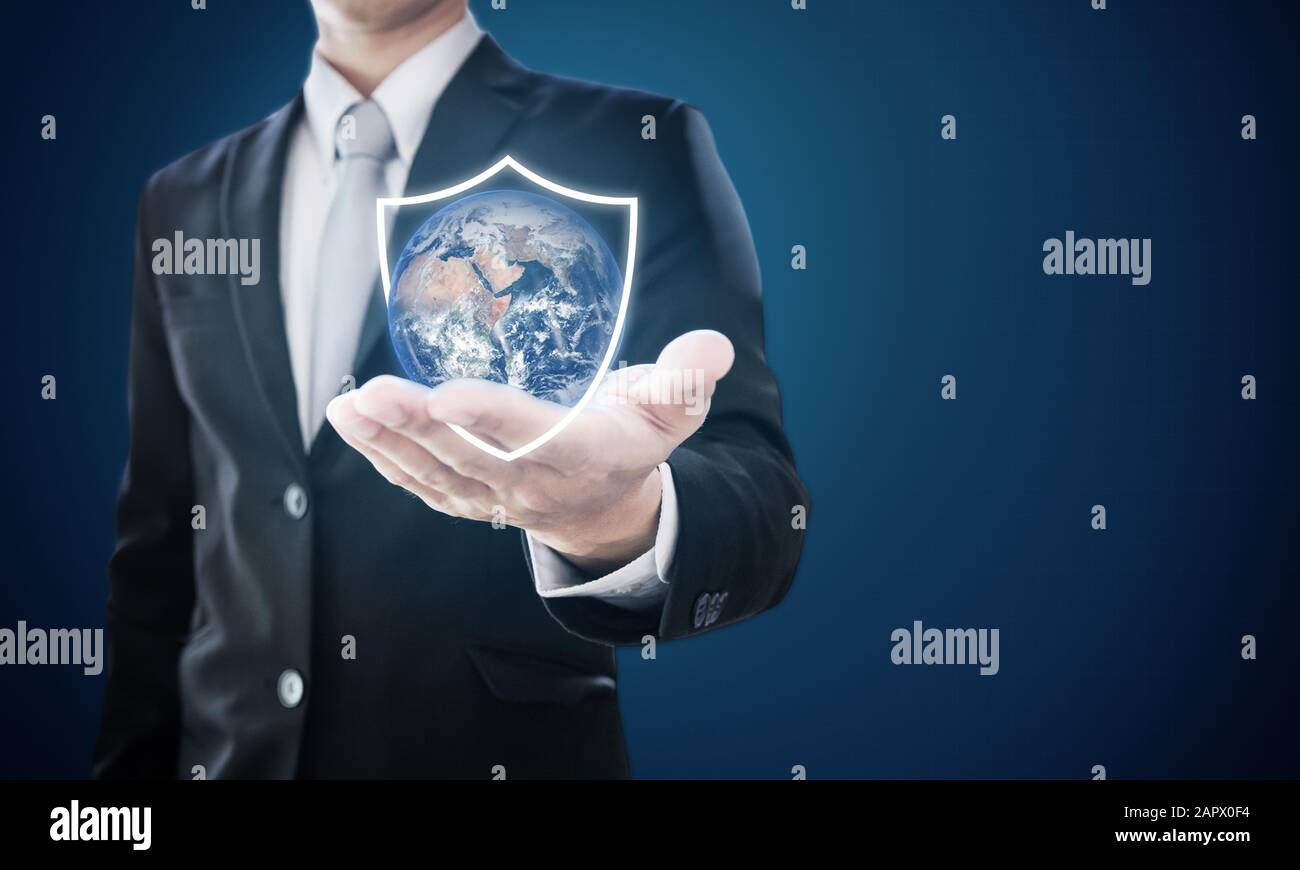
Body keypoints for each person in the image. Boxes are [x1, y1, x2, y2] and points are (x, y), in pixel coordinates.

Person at [94, 0, 808, 779]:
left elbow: (765, 505)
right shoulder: (182, 200)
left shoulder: (636, 144)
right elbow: (158, 549)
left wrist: (614, 519)